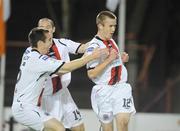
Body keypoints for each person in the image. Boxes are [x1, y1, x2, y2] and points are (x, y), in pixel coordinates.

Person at [11, 27, 109, 131]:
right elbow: (67, 67)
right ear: (40, 43)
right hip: (25, 109)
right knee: (58, 128)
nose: (50, 44)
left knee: (56, 128)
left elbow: (61, 70)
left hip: (26, 107)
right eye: (48, 40)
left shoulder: (29, 52)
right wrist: (91, 57)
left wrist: (85, 57)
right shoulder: (39, 60)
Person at [86, 11, 136, 131]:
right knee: (108, 129)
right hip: (104, 92)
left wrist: (122, 60)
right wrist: (109, 60)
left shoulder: (111, 41)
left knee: (123, 123)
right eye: (110, 26)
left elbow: (113, 63)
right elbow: (91, 73)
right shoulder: (93, 47)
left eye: (115, 26)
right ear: (100, 26)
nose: (113, 29)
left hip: (121, 88)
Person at [37, 18, 88, 131]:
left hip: (64, 93)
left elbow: (83, 47)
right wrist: (86, 59)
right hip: (48, 98)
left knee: (79, 127)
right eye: (41, 28)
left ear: (53, 29)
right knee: (57, 129)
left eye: (47, 28)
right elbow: (61, 70)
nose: (44, 31)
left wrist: (98, 42)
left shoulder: (62, 43)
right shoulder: (35, 50)